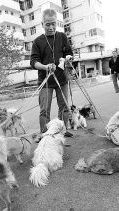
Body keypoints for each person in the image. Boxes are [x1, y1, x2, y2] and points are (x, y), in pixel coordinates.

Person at [30, 8, 73, 137]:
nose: (51, 27)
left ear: (56, 23)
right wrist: (45, 67)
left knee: (64, 106)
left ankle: (62, 130)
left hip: (62, 79)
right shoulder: (38, 41)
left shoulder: (62, 37)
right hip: (45, 81)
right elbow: (33, 62)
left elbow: (69, 53)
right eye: (47, 24)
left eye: (53, 23)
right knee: (44, 110)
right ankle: (45, 135)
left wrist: (68, 58)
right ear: (42, 24)